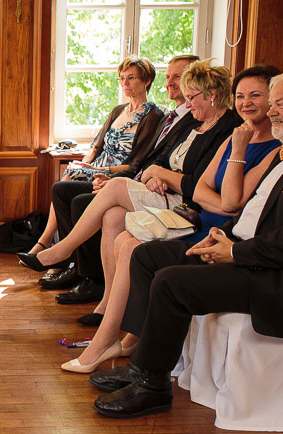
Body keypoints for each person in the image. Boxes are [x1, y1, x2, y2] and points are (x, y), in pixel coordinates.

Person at [89, 69, 283, 418]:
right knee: (147, 257)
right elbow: (259, 212)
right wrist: (225, 234)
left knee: (171, 282)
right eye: (271, 104)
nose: (270, 112)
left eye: (279, 104)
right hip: (251, 253)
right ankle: (144, 363)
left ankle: (153, 386)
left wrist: (234, 252)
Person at [57, 65, 280, 373]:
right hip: (196, 214)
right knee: (122, 237)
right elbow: (200, 186)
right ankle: (129, 336)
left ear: (274, 99)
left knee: (132, 244)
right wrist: (199, 188)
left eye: (256, 95)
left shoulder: (266, 145)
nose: (245, 103)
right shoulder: (233, 137)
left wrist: (237, 152)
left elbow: (229, 203)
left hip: (214, 229)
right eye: (241, 95)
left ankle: (106, 340)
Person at [19, 60, 241, 328]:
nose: (188, 103)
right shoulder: (194, 125)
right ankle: (107, 304)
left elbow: (197, 182)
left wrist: (159, 175)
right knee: (111, 215)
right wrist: (154, 176)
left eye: (192, 97)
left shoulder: (227, 129)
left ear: (212, 95)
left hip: (187, 205)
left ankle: (61, 251)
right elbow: (163, 163)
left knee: (111, 188)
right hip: (161, 188)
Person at [50, 55, 199, 311]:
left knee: (82, 201)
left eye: (179, 76)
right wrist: (89, 166)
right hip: (130, 176)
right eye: (169, 76)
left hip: (134, 177)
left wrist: (112, 175)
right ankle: (72, 263)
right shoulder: (136, 112)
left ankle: (83, 270)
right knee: (65, 184)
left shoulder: (158, 114)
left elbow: (142, 160)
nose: (172, 82)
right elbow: (99, 144)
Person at [27, 57, 164, 294]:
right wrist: (84, 164)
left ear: (147, 81)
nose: (125, 84)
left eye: (131, 78)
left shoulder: (152, 115)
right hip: (98, 167)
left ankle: (59, 255)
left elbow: (136, 162)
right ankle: (66, 259)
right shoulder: (118, 110)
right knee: (63, 182)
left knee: (72, 192)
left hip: (118, 174)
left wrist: (100, 172)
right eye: (122, 78)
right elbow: (96, 147)